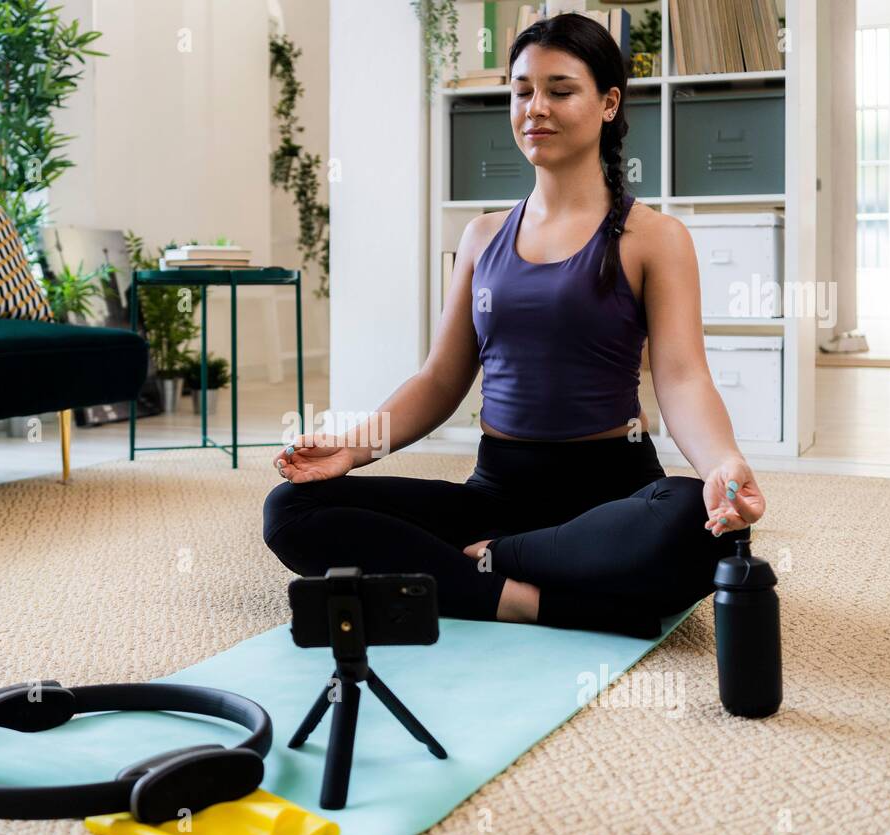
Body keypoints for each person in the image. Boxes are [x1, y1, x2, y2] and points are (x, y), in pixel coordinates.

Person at [262, 13, 766, 639]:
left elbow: (684, 378)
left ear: (608, 103)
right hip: (494, 497)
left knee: (698, 518)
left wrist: (722, 462)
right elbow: (441, 378)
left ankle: (488, 569)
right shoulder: (482, 236)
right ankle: (527, 599)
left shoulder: (655, 238)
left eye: (560, 90)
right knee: (292, 509)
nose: (536, 108)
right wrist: (352, 447)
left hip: (610, 497)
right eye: (522, 90)